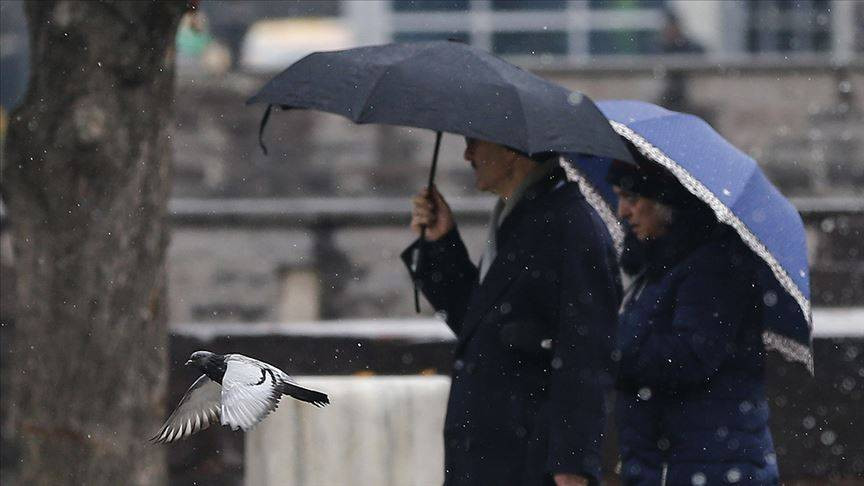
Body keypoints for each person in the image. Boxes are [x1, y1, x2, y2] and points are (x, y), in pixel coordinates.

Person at [402, 137, 621, 486]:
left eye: (475, 143)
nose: (467, 154)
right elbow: (479, 324)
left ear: (511, 150)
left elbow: (586, 352)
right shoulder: (522, 217)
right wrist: (440, 242)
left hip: (526, 459)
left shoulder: (570, 223)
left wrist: (573, 464)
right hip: (496, 453)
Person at [607, 158, 780, 485]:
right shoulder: (659, 268)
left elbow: (686, 358)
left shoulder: (711, 268)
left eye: (632, 198)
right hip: (678, 465)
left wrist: (609, 351)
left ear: (666, 202)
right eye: (618, 197)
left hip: (701, 466)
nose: (622, 211)